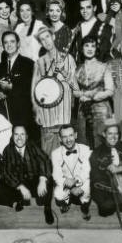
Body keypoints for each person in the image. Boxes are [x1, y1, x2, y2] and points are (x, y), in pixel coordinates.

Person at [0, 126, 55, 224]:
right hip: (18, 182)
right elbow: (7, 172)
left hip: (33, 179)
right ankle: (18, 201)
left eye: (22, 134)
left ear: (26, 136)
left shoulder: (32, 146)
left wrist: (42, 180)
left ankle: (47, 208)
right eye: (16, 134)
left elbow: (45, 160)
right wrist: (20, 186)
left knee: (49, 179)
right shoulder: (7, 150)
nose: (19, 138)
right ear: (12, 136)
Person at [32, 27, 78, 155]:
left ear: (53, 37)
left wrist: (63, 71)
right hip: (47, 116)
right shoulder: (39, 62)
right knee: (48, 154)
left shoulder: (69, 59)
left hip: (63, 115)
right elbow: (35, 91)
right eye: (42, 39)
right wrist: (37, 113)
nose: (46, 41)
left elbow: (75, 87)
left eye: (47, 37)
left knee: (65, 154)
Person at [73, 37, 114, 149]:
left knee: (101, 143)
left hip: (101, 110)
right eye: (86, 45)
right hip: (83, 111)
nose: (90, 48)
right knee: (83, 143)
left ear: (96, 49)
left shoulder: (104, 66)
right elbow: (75, 91)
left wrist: (91, 97)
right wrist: (81, 95)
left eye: (93, 46)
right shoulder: (77, 69)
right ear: (82, 49)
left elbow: (110, 90)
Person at [0, 31, 36, 138]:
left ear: (18, 43)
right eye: (6, 42)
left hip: (24, 116)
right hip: (5, 118)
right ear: (3, 45)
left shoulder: (29, 64)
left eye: (12, 42)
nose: (9, 45)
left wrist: (11, 88)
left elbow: (31, 89)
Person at [51, 124, 91, 220]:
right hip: (67, 184)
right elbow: (56, 175)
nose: (68, 140)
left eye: (71, 135)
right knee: (58, 194)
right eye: (64, 137)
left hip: (80, 182)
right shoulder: (55, 153)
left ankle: (84, 206)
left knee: (88, 187)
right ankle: (66, 203)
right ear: (60, 138)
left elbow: (87, 170)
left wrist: (76, 181)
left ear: (76, 135)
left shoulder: (86, 149)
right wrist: (72, 188)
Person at [69, 0, 114, 64]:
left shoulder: (106, 28)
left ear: (94, 8)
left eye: (88, 7)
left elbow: (108, 56)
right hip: (79, 71)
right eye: (82, 8)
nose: (85, 11)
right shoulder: (76, 28)